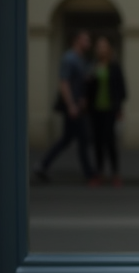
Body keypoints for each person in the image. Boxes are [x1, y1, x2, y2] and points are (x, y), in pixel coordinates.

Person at [35, 29, 96, 184]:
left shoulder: (80, 59)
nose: (88, 43)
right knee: (82, 138)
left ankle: (43, 165)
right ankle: (89, 173)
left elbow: (79, 83)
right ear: (77, 40)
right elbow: (64, 83)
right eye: (86, 40)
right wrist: (71, 105)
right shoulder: (69, 58)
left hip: (78, 105)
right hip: (73, 107)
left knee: (68, 139)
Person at [85, 36, 127, 187]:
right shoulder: (94, 65)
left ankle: (115, 173)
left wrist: (119, 108)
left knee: (110, 141)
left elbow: (122, 89)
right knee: (97, 142)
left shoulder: (114, 66)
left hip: (110, 109)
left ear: (108, 49)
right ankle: (99, 173)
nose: (101, 49)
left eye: (104, 46)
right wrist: (90, 78)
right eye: (99, 47)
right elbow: (87, 88)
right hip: (95, 110)